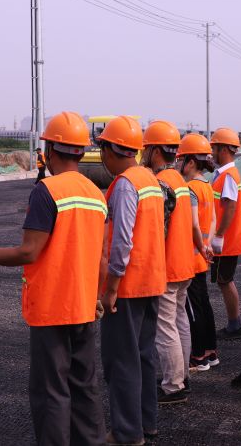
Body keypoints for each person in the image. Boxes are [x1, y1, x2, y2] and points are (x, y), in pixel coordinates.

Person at [0, 111, 107, 446]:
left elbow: (29, 252)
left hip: (53, 309)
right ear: (81, 151)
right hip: (84, 307)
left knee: (51, 392)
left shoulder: (47, 191)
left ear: (50, 149)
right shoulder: (96, 194)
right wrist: (97, 294)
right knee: (84, 387)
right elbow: (99, 256)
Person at [97, 116, 166, 446]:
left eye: (102, 149)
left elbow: (122, 241)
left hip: (128, 286)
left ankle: (127, 433)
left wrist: (110, 288)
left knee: (122, 360)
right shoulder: (149, 179)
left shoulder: (125, 184)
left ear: (112, 149)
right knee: (142, 356)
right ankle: (146, 423)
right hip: (151, 281)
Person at [142, 120, 194, 405]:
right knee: (179, 320)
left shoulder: (161, 183)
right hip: (185, 263)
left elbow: (158, 230)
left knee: (165, 327)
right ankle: (182, 375)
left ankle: (174, 385)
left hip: (169, 266)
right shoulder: (179, 180)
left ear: (154, 150)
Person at [176, 133, 219, 372]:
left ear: (190, 162)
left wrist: (201, 246)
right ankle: (210, 352)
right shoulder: (207, 186)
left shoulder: (190, 188)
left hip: (191, 258)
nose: (178, 164)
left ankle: (198, 357)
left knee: (192, 309)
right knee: (204, 304)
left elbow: (193, 224)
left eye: (180, 159)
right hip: (202, 256)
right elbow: (212, 219)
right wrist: (207, 244)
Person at [210, 127, 241, 340]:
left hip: (227, 241)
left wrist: (219, 235)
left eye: (214, 148)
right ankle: (234, 323)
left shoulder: (228, 176)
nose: (212, 152)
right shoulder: (225, 175)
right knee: (224, 280)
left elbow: (230, 206)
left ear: (223, 149)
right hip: (228, 240)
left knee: (225, 280)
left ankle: (235, 325)